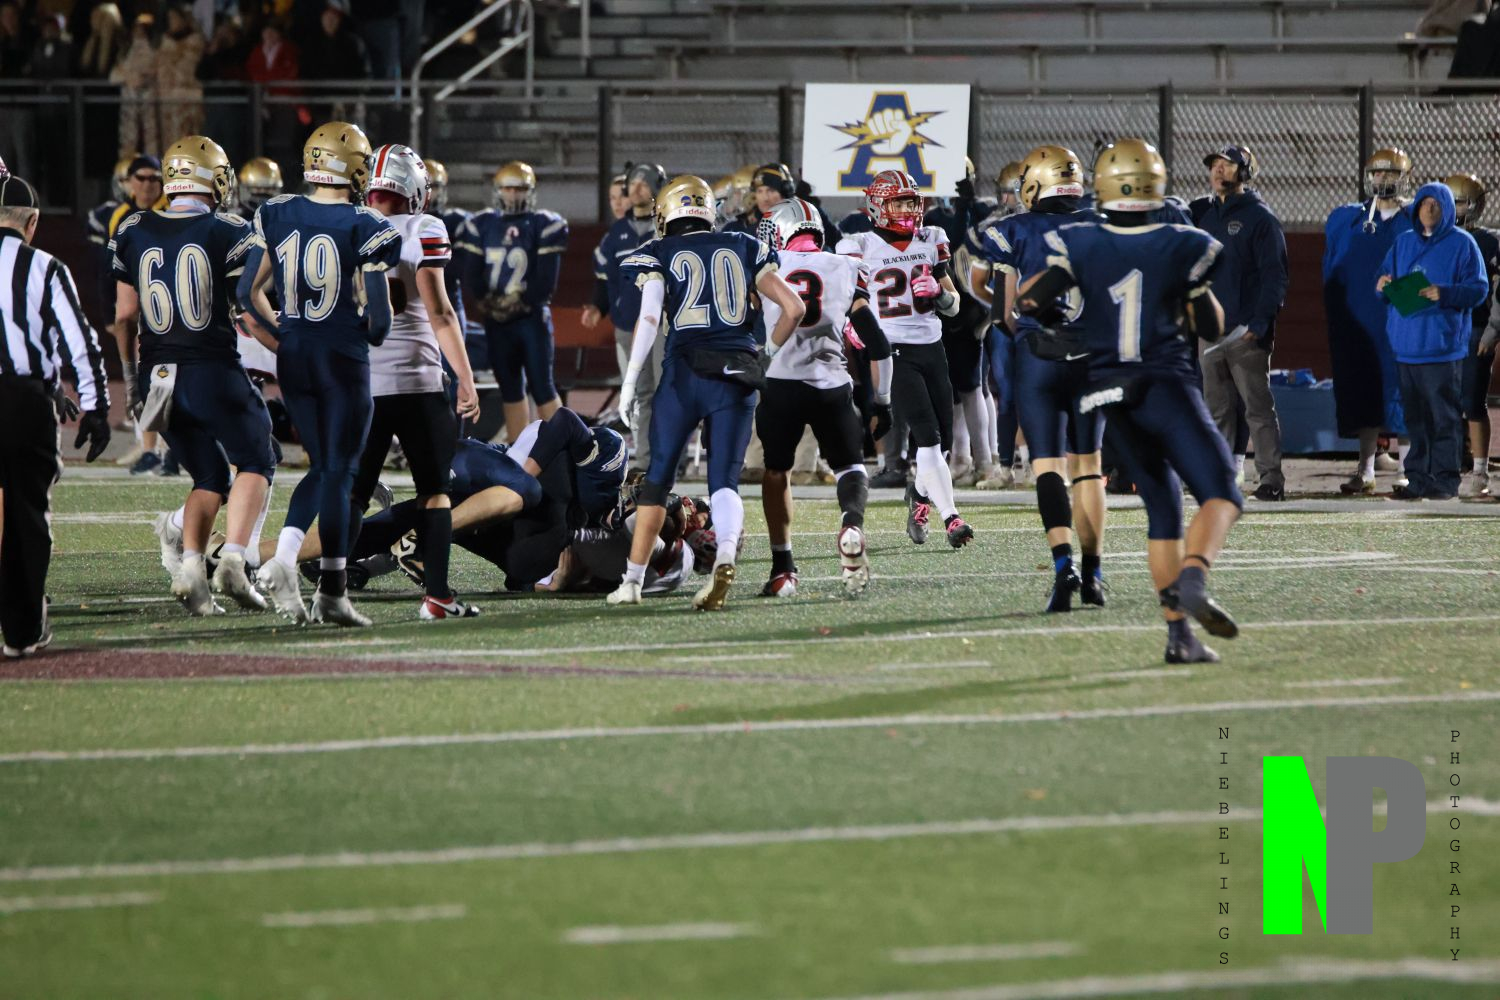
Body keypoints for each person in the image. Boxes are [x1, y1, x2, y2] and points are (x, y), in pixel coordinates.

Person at [1017, 138, 1242, 663]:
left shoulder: (1080, 240)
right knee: (1223, 493)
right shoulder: (1182, 241)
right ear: (1155, 184)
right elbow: (1213, 327)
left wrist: (1061, 324)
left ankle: (1179, 637)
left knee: (1162, 508)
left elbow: (1029, 300)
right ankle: (1193, 579)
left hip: (1108, 392)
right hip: (1164, 383)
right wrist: (1190, 296)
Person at [607, 174, 806, 610]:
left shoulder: (658, 251)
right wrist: (766, 357)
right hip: (737, 370)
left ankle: (632, 582)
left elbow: (648, 319)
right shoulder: (744, 244)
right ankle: (726, 555)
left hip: (683, 373)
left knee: (658, 479)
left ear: (666, 213)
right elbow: (794, 308)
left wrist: (631, 379)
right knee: (724, 482)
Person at [239, 120, 400, 626]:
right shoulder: (366, 223)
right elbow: (380, 324)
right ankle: (328, 587)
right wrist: (354, 328)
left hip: (295, 358)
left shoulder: (278, 211)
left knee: (323, 467)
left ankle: (296, 564)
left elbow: (247, 292)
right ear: (354, 168)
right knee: (340, 472)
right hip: (341, 359)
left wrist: (287, 335)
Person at [111, 134, 274, 616]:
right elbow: (249, 310)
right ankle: (235, 560)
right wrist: (288, 349)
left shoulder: (133, 227)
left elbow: (124, 316)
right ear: (214, 180)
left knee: (209, 475)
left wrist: (132, 380)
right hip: (210, 368)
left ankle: (190, 573)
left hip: (155, 374)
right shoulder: (230, 229)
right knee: (257, 457)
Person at [356, 142, 482, 620]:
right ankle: (438, 597)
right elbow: (440, 312)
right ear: (414, 189)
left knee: (352, 491)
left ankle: (330, 589)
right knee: (434, 491)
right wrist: (465, 378)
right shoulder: (424, 228)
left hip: (362, 382)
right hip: (418, 381)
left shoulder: (348, 224)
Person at [979, 144, 1107, 611]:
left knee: (1048, 466)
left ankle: (1063, 565)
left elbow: (1003, 312)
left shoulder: (1012, 230)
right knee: (1088, 467)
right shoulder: (1102, 225)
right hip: (1092, 357)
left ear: (1035, 183)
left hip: (1040, 358)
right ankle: (1094, 575)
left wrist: (1027, 340)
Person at [755, 197, 893, 598]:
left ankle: (783, 569)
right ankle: (851, 525)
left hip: (779, 382)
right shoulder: (846, 266)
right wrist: (882, 402)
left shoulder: (766, 264)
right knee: (851, 467)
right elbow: (877, 343)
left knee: (776, 471)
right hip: (831, 384)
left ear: (781, 231)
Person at [0, 173, 112, 658]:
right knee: (28, 513)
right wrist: (96, 406)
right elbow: (80, 342)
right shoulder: (44, 266)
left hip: (28, 392)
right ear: (32, 222)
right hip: (24, 403)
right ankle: (22, 630)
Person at [840, 169, 974, 549]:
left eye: (910, 203)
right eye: (898, 203)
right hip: (892, 348)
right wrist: (852, 326)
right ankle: (952, 518)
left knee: (942, 443)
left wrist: (940, 293)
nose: (906, 211)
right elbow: (843, 298)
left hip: (931, 346)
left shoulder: (932, 239)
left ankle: (918, 495)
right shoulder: (859, 245)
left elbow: (953, 305)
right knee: (928, 437)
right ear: (877, 206)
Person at [1377, 182, 1490, 500]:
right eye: (1424, 203)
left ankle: (1444, 480)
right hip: (1406, 347)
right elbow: (1385, 279)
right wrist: (1383, 285)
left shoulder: (1463, 244)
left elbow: (1479, 289)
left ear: (1447, 209)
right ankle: (1416, 478)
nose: (1428, 209)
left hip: (1441, 348)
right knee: (1415, 420)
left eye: (1436, 204)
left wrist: (1446, 293)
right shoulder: (1403, 242)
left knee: (1443, 418)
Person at [1191, 144, 1289, 501]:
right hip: (1210, 331)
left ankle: (1271, 479)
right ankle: (1220, 478)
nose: (1218, 170)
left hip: (1244, 331)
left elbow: (1274, 276)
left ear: (1245, 172)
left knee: (1257, 409)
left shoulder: (1260, 218)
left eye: (1227, 165)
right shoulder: (1204, 215)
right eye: (1215, 164)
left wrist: (1260, 322)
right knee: (1216, 410)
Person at [456, 160, 568, 444]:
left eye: (519, 189)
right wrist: (487, 301)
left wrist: (520, 302)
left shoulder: (543, 224)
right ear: (498, 190)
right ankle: (520, 451)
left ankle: (563, 448)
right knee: (510, 389)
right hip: (498, 322)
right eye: (508, 189)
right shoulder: (482, 224)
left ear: (530, 191)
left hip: (531, 318)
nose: (513, 195)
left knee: (543, 387)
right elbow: (472, 275)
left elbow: (546, 281)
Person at [1324, 148, 1415, 495]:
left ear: (1404, 177)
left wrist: (1408, 306)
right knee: (1364, 391)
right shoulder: (1348, 218)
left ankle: (1407, 469)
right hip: (1361, 321)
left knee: (1404, 391)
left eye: (1389, 173)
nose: (1381, 179)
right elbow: (1332, 270)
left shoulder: (1415, 218)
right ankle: (1365, 468)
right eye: (1377, 173)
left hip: (1400, 319)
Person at [583, 161, 665, 475]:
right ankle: (645, 459)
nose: (637, 188)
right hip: (630, 323)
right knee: (641, 392)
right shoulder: (616, 233)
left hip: (664, 323)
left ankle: (668, 456)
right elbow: (605, 278)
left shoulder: (667, 224)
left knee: (665, 389)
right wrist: (598, 306)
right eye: (634, 183)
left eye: (644, 183)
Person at [925, 156, 996, 487]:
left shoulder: (983, 212)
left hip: (975, 307)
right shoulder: (932, 218)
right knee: (953, 388)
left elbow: (967, 243)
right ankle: (962, 458)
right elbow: (945, 245)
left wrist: (967, 205)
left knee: (973, 385)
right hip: (944, 307)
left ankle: (986, 460)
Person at [107, 155, 176, 476]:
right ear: (129, 182)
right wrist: (117, 313)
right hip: (143, 306)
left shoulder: (171, 210)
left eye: (154, 178)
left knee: (165, 378)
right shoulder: (120, 217)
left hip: (172, 305)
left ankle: (167, 448)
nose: (148, 185)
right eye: (142, 178)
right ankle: (153, 447)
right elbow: (111, 268)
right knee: (150, 379)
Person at [965, 159, 1026, 491]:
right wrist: (1000, 310)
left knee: (1036, 392)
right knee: (1008, 391)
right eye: (1004, 192)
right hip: (1011, 321)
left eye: (1011, 192)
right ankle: (1007, 465)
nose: (1007, 200)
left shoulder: (1050, 224)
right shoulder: (993, 228)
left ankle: (1040, 463)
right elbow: (977, 282)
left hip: (1035, 317)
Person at [1444, 173, 1500, 498]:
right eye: (1451, 202)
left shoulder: (1490, 241)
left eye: (1462, 202)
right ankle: (1449, 465)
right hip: (1443, 329)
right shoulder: (1435, 239)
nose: (1456, 209)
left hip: (1476, 326)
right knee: (1445, 400)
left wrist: (1493, 329)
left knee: (1473, 401)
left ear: (1476, 205)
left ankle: (1480, 470)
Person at [114, 13, 158, 158]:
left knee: (151, 138)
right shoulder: (126, 51)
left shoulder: (154, 51)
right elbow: (114, 76)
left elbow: (153, 71)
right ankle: (126, 168)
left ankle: (153, 167)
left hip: (148, 99)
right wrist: (128, 77)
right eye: (136, 28)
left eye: (142, 29)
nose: (138, 32)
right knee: (128, 138)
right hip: (129, 101)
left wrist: (142, 78)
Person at [158, 5, 204, 142]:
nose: (172, 22)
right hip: (167, 100)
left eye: (174, 18)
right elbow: (159, 67)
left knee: (187, 142)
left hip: (187, 101)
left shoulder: (194, 41)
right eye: (170, 18)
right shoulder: (165, 42)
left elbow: (186, 70)